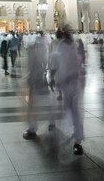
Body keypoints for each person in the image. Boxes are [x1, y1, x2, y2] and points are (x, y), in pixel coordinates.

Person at [47, 25, 85, 155]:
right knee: (68, 109)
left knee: (75, 111)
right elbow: (54, 62)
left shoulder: (75, 45)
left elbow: (81, 59)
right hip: (63, 83)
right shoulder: (60, 46)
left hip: (74, 83)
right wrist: (51, 77)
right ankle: (74, 132)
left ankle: (78, 141)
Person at [23, 30, 53, 139]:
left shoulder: (33, 50)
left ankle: (32, 129)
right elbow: (46, 63)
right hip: (41, 78)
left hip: (36, 80)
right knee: (46, 102)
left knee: (32, 105)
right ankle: (52, 122)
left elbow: (31, 66)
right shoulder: (44, 49)